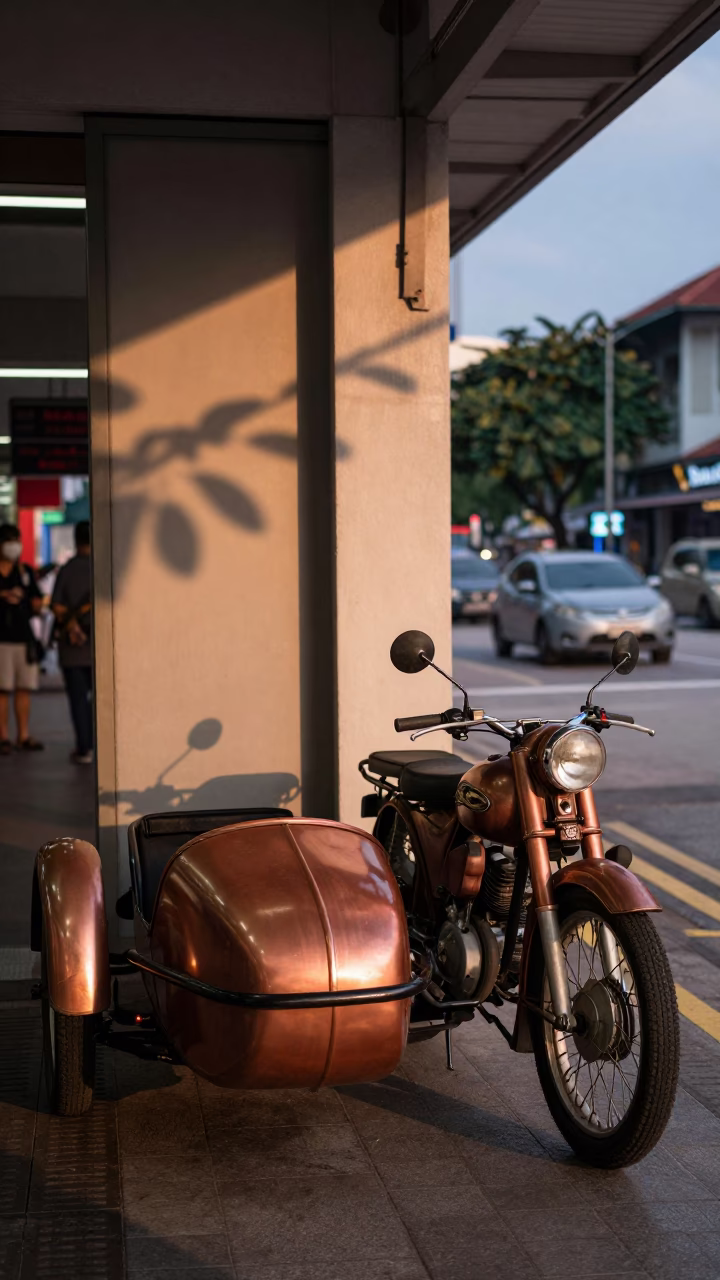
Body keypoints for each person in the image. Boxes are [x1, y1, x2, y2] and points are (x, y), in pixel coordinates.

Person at [0, 522, 44, 754]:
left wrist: (29, 601)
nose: (14, 546)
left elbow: (37, 603)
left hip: (23, 638)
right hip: (2, 640)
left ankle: (23, 735)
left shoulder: (25, 572)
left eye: (16, 540)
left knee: (24, 688)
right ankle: (3, 737)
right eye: (9, 541)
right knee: (2, 690)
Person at [51, 521, 94, 764]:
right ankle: (103, 745)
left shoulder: (66, 570)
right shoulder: (104, 568)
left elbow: (56, 606)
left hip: (72, 647)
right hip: (99, 647)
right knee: (101, 700)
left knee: (78, 698)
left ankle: (84, 748)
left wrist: (71, 626)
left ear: (76, 541)